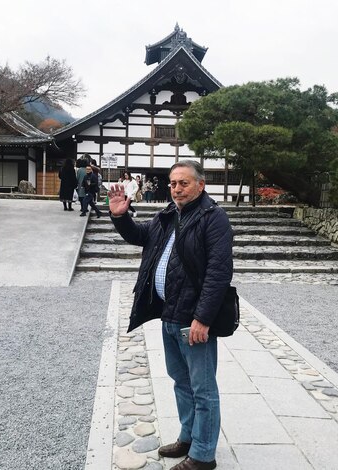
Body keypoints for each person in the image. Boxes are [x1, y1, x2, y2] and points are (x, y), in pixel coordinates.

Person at [108, 160, 233, 470]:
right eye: (173, 183)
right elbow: (140, 236)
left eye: (184, 183)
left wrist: (202, 319)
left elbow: (219, 272)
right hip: (169, 314)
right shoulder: (168, 215)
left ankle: (203, 456)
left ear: (200, 185)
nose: (177, 188)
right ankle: (188, 437)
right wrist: (120, 216)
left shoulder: (213, 218)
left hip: (193, 319)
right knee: (181, 382)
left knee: (203, 389)